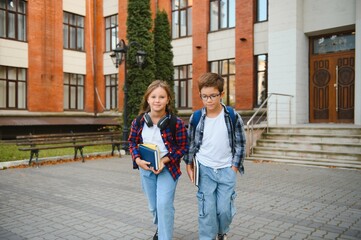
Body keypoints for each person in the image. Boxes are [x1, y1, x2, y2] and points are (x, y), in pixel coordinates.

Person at [184, 73, 246, 240]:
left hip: (227, 169)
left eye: (213, 96)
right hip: (205, 170)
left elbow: (241, 144)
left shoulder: (232, 116)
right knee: (207, 211)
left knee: (224, 210)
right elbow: (190, 143)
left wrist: (234, 168)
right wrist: (188, 165)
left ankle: (221, 232)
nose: (209, 100)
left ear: (221, 94)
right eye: (204, 96)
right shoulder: (196, 117)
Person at [128, 80, 188, 240]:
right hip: (145, 169)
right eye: (153, 96)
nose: (157, 100)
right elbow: (132, 142)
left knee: (164, 205)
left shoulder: (176, 124)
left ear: (168, 99)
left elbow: (183, 146)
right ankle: (162, 226)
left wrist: (165, 160)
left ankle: (164, 235)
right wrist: (138, 160)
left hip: (168, 170)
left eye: (162, 97)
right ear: (147, 99)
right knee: (154, 207)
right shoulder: (139, 122)